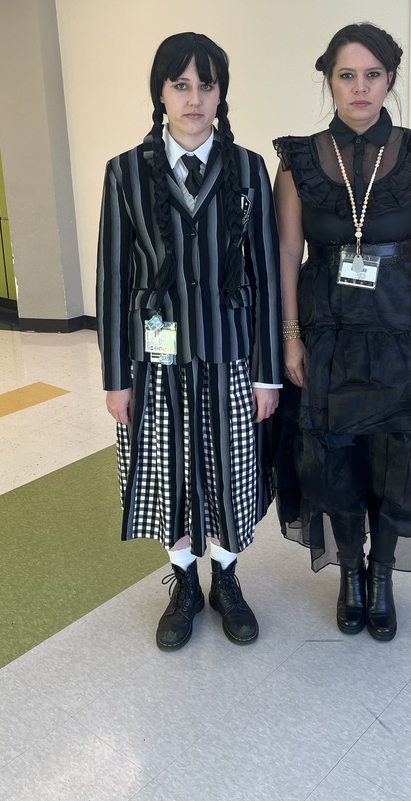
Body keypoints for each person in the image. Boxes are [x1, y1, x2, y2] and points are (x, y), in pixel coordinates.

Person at [272, 22, 411, 642]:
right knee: (334, 456)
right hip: (327, 330)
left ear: (390, 79)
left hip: (403, 327)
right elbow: (287, 253)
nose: (360, 87)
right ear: (329, 81)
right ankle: (349, 570)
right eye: (347, 75)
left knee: (402, 456)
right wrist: (290, 334)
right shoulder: (297, 160)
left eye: (373, 75)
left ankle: (382, 575)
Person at [97, 32, 281, 651]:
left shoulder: (248, 169)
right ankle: (183, 584)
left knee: (231, 470)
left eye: (207, 85)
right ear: (161, 93)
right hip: (155, 361)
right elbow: (112, 281)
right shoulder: (125, 171)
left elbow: (266, 277)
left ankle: (225, 577)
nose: (194, 99)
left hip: (231, 354)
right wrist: (115, 379)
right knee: (168, 470)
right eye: (181, 85)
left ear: (221, 94)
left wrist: (267, 373)